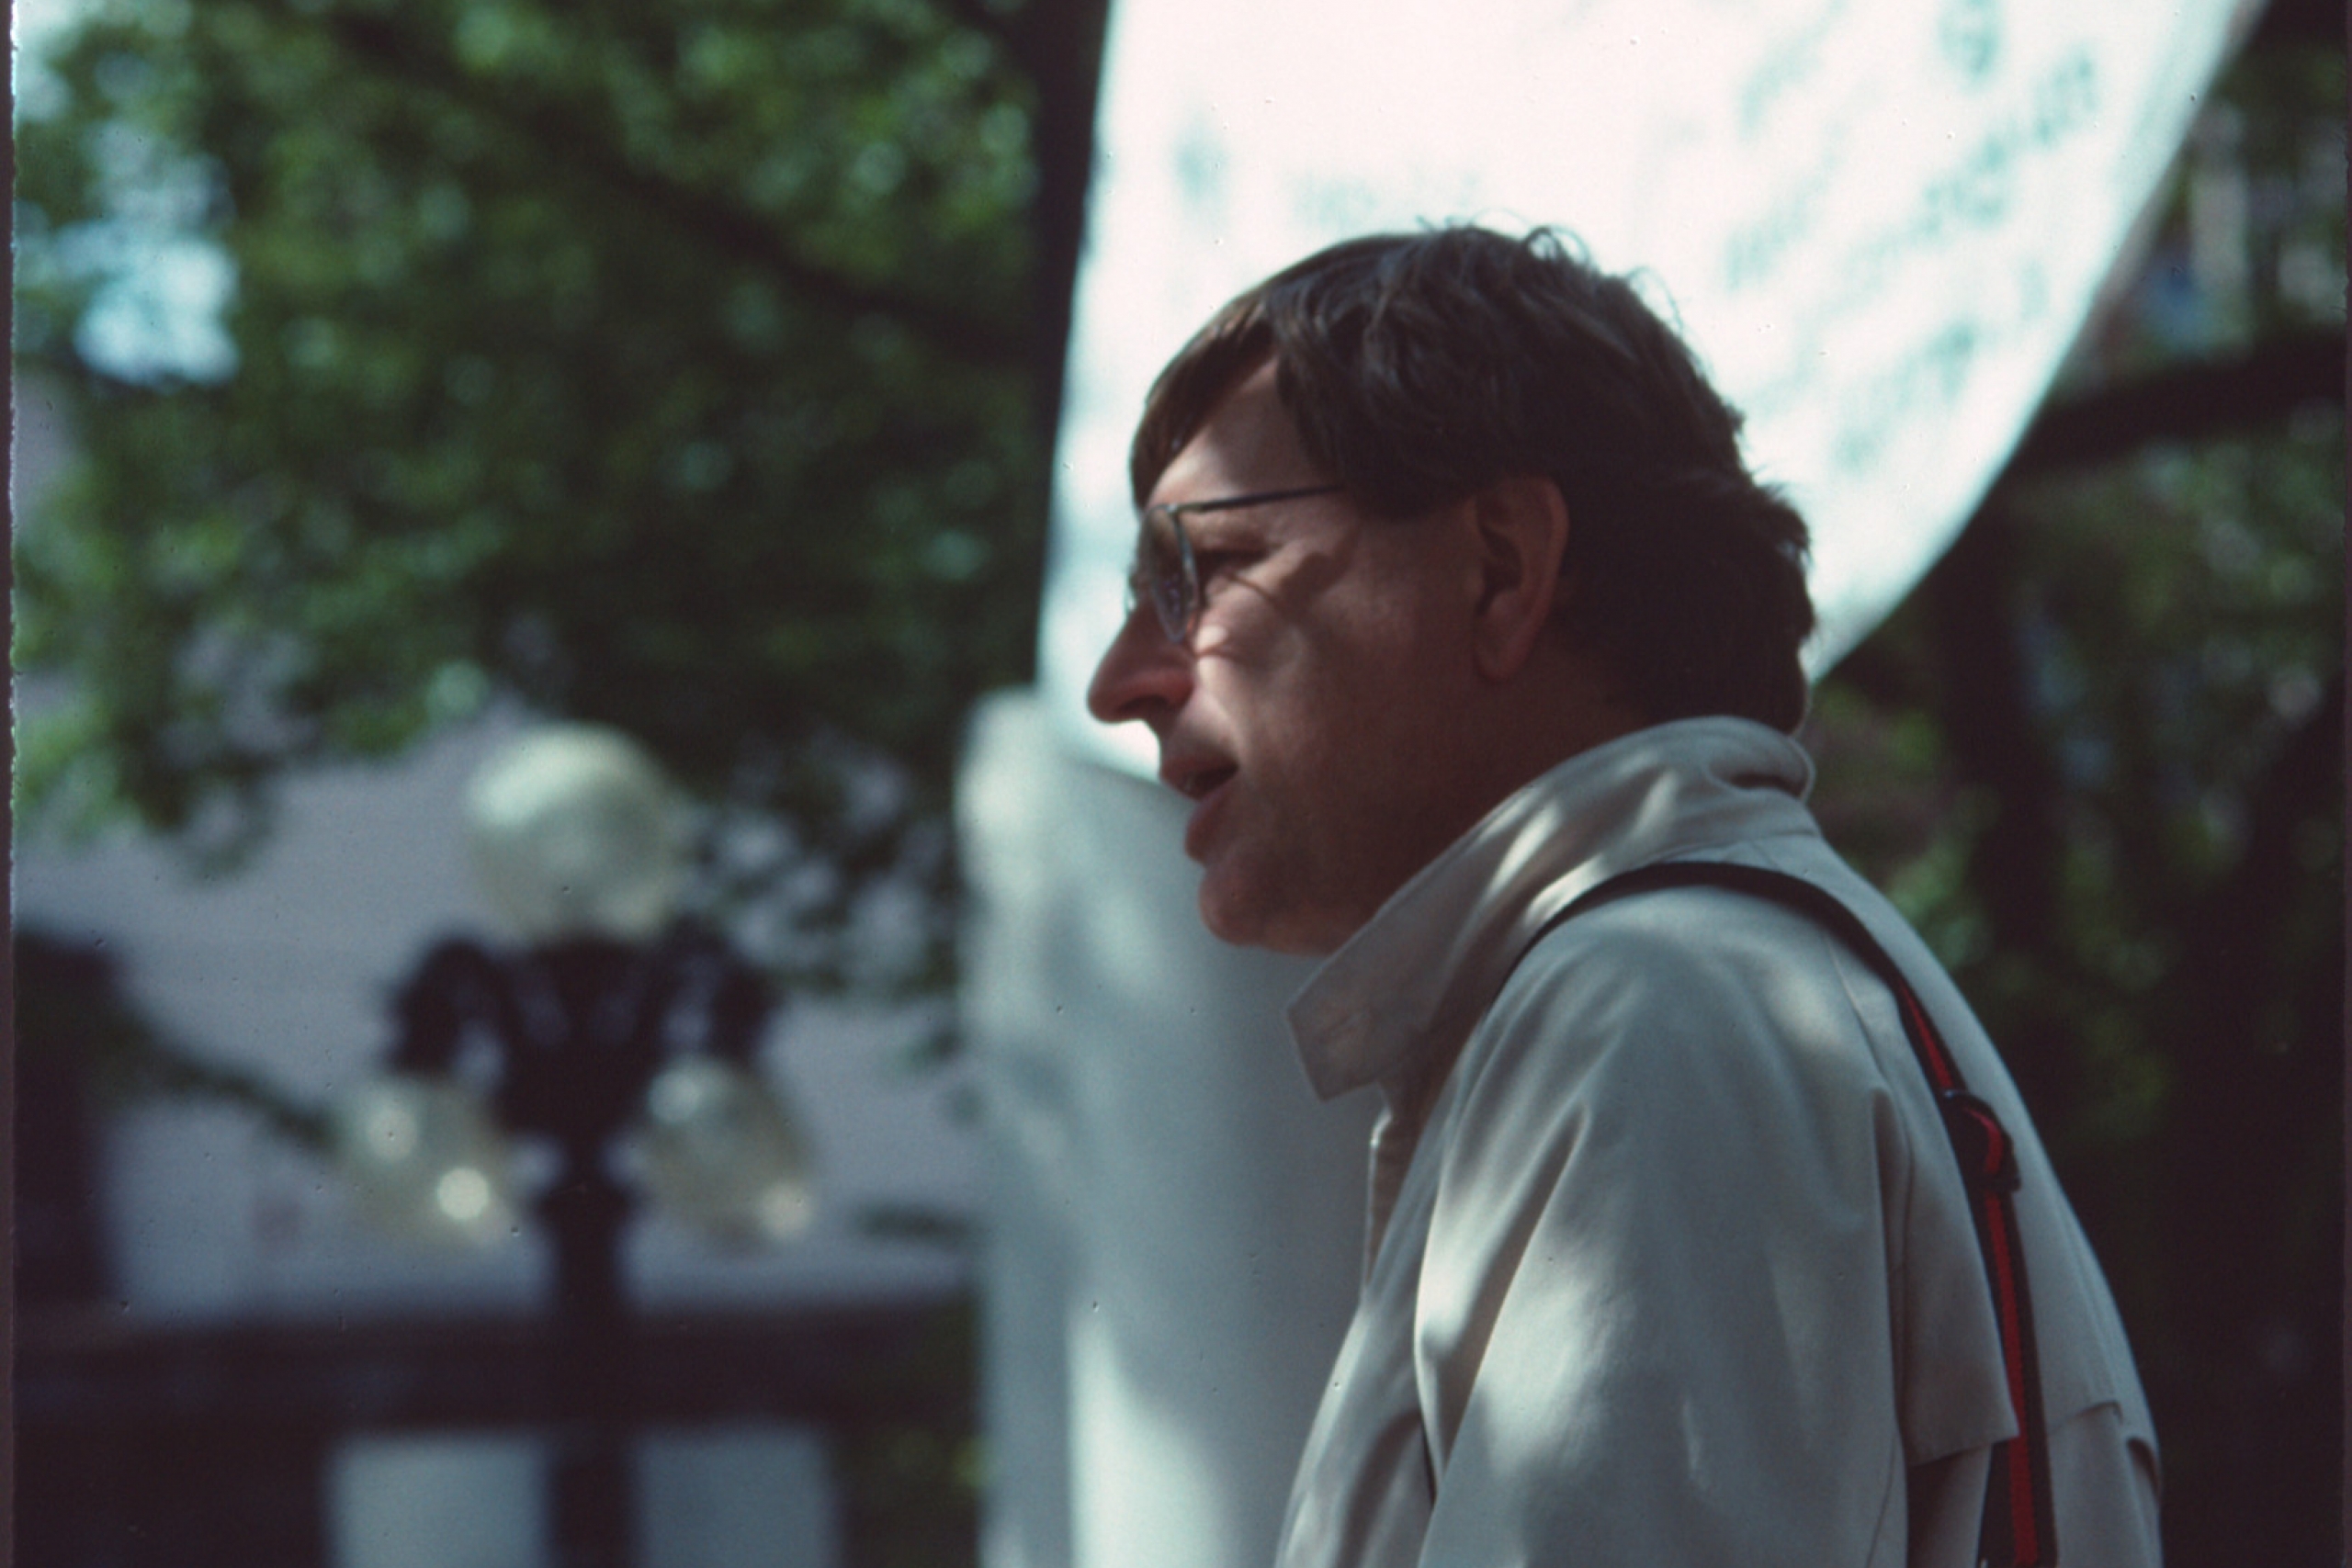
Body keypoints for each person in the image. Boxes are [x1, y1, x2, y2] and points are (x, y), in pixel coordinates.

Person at [1085, 227, 2160, 1568]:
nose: (1121, 679)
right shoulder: (1703, 986)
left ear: (1500, 566)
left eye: (1199, 572)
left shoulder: (1652, 1010)